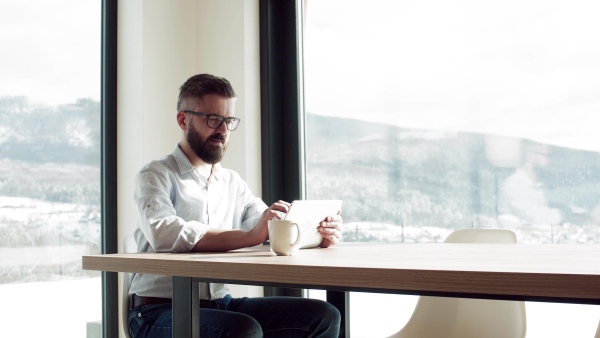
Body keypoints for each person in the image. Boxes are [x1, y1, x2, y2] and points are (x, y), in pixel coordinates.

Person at [128, 73, 343, 338]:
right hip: (156, 311)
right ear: (183, 119)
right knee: (243, 330)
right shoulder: (155, 174)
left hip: (220, 305)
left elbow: (268, 229)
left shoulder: (232, 182)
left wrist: (316, 233)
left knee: (323, 316)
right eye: (213, 119)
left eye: (228, 121)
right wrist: (250, 236)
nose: (223, 130)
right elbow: (165, 233)